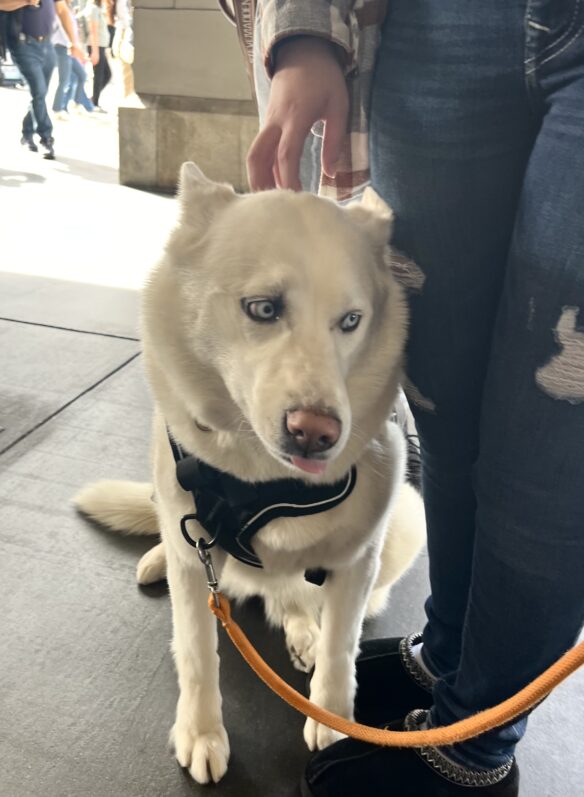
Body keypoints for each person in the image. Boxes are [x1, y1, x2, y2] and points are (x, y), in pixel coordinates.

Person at [247, 3, 584, 796]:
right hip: (442, 23)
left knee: (551, 444)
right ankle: (453, 656)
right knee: (443, 399)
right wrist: (307, 26)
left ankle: (475, 744)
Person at [0, 0, 84, 158]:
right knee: (39, 91)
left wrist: (75, 43)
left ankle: (27, 134)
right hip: (22, 44)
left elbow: (62, 11)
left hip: (48, 45)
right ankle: (46, 138)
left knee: (39, 95)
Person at [84, 0, 110, 110]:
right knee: (99, 75)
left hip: (101, 46)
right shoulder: (93, 9)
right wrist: (95, 51)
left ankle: (93, 99)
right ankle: (94, 103)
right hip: (96, 46)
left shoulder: (99, 9)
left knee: (107, 74)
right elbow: (93, 30)